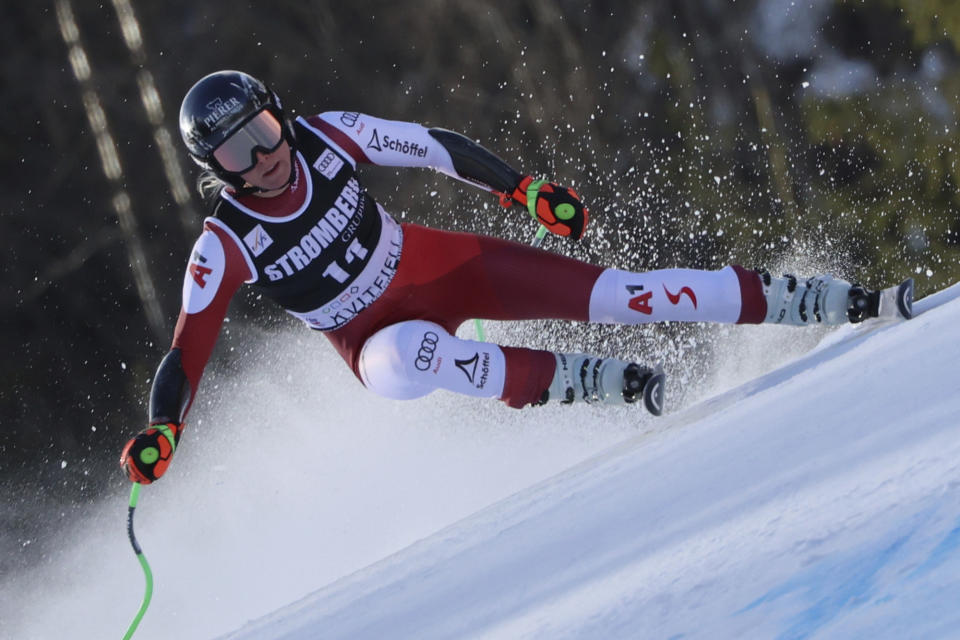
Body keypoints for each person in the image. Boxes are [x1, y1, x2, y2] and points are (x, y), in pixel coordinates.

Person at [120, 70, 889, 484]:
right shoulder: (226, 244)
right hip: (373, 343)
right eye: (235, 155)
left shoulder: (328, 137)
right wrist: (164, 431)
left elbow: (431, 145)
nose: (262, 158)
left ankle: (817, 300)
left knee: (623, 294)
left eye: (261, 133)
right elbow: (188, 351)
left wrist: (521, 191)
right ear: (212, 171)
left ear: (279, 115)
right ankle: (598, 382)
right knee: (412, 359)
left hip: (443, 267)